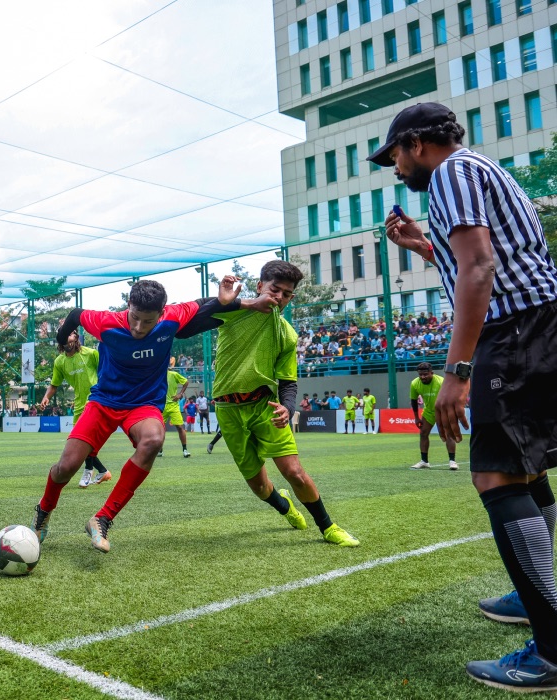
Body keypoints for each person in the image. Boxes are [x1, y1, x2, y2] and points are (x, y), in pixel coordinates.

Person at [375, 101, 557, 691]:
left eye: (396, 156)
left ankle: (553, 649)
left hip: (514, 330)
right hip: (537, 324)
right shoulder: (480, 167)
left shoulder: (451, 173)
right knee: (524, 469)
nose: (396, 168)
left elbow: (480, 268)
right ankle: (537, 597)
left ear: (417, 143)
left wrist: (457, 372)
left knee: (497, 477)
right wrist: (424, 247)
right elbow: (481, 260)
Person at [30, 278, 273, 553]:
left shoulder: (172, 317)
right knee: (66, 467)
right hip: (104, 401)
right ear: (128, 306)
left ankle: (102, 519)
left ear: (161, 313)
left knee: (154, 439)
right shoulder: (106, 322)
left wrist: (249, 303)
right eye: (134, 318)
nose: (138, 327)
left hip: (143, 404)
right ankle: (44, 511)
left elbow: (203, 304)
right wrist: (61, 339)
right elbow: (75, 314)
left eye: (148, 321)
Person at [178, 261, 360, 547]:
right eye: (275, 290)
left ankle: (328, 527)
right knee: (260, 486)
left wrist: (288, 407)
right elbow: (183, 329)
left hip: (266, 407)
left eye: (286, 294)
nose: (279, 297)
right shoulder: (234, 311)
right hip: (227, 410)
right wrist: (229, 301)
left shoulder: (288, 334)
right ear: (260, 286)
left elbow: (288, 381)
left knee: (294, 472)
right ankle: (285, 507)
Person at [41, 329, 111, 487]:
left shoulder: (91, 353)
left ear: (76, 337)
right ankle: (102, 471)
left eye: (70, 335)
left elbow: (106, 371)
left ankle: (88, 470)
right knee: (79, 440)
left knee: (84, 439)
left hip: (96, 400)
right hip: (79, 403)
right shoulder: (60, 362)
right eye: (64, 337)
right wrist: (46, 397)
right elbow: (54, 384)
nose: (67, 340)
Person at [406, 364, 458, 471]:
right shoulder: (414, 383)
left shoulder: (441, 382)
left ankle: (452, 461)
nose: (423, 377)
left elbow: (450, 398)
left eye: (425, 374)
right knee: (423, 433)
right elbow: (413, 401)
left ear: (432, 373)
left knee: (448, 434)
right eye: (420, 374)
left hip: (443, 411)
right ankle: (424, 461)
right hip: (429, 412)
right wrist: (416, 418)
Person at [159, 365, 190, 458]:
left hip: (173, 405)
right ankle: (160, 450)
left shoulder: (173, 374)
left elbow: (186, 382)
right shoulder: (156, 375)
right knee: (159, 429)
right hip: (161, 406)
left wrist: (180, 394)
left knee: (180, 427)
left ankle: (185, 450)